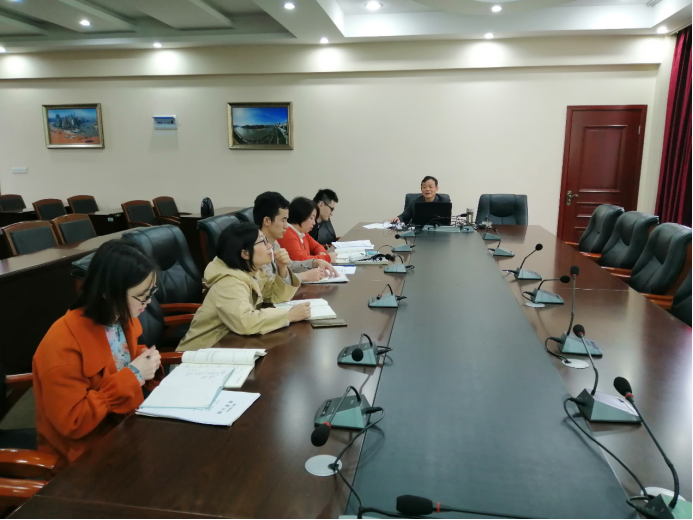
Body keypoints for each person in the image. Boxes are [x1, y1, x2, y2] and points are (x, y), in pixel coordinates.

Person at [33, 240, 161, 467]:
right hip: (84, 453)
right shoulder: (63, 345)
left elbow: (119, 358)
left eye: (151, 292)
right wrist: (133, 374)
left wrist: (144, 360)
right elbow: (73, 422)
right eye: (141, 296)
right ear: (107, 293)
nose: (148, 302)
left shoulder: (121, 318)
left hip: (124, 427)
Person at [177, 223, 309, 350]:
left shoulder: (253, 271)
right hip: (201, 353)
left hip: (229, 344)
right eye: (262, 242)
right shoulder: (229, 282)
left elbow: (277, 296)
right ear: (245, 254)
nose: (269, 246)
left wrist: (282, 268)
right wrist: (288, 315)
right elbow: (245, 321)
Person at [253, 191, 338, 282]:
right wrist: (304, 276)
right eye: (283, 220)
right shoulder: (256, 249)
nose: (286, 226)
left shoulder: (274, 243)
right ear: (267, 221)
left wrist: (315, 262)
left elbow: (290, 265)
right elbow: (269, 282)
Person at [278, 197, 335, 263]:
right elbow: (301, 260)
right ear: (301, 215)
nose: (314, 223)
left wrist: (321, 252)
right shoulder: (288, 234)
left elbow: (317, 246)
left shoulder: (303, 233)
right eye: (311, 218)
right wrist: (326, 258)